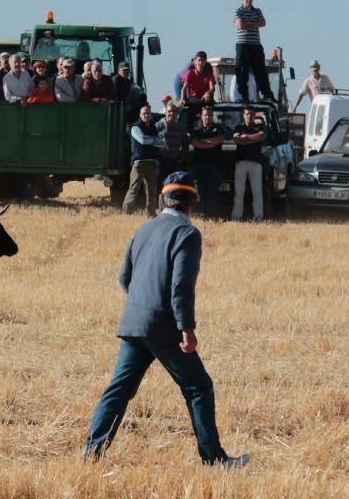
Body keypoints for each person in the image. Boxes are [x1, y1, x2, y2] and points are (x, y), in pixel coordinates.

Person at [83, 171, 249, 469]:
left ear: (163, 199)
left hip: (134, 322)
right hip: (163, 325)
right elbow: (181, 287)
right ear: (192, 203)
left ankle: (91, 454)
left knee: (118, 390)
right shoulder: (187, 234)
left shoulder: (144, 229)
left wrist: (141, 302)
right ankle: (214, 460)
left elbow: (125, 277)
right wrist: (187, 329)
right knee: (198, 386)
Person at [123, 105, 165, 216]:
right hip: (139, 163)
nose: (146, 115)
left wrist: (152, 140)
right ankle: (126, 212)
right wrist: (154, 140)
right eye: (144, 113)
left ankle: (151, 214)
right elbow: (142, 140)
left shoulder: (153, 128)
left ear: (151, 115)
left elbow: (162, 143)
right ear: (140, 115)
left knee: (152, 190)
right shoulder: (135, 127)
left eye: (148, 113)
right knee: (134, 189)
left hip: (152, 162)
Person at [234, 0, 274, 102]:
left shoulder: (257, 11)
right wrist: (255, 24)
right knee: (242, 71)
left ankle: (267, 95)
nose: (248, 0)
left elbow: (263, 23)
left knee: (260, 70)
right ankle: (244, 96)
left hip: (256, 45)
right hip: (243, 45)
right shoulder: (238, 11)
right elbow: (240, 25)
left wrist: (249, 25)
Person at [231, 106, 266, 222]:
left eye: (251, 114)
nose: (249, 116)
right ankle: (236, 217)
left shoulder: (259, 126)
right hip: (241, 162)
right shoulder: (238, 127)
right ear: (243, 115)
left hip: (256, 163)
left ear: (254, 115)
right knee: (239, 192)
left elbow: (261, 136)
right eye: (247, 114)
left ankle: (258, 217)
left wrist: (245, 137)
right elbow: (236, 139)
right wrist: (253, 139)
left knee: (257, 192)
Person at [190, 106, 225, 218]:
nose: (207, 117)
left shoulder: (218, 129)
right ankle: (202, 214)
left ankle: (213, 215)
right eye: (205, 115)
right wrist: (210, 143)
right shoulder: (196, 130)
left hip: (215, 165)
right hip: (200, 165)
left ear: (212, 116)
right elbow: (195, 143)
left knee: (213, 191)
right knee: (201, 191)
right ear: (201, 116)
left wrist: (203, 141)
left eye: (209, 115)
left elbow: (219, 140)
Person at [156, 101, 189, 183]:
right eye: (169, 111)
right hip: (161, 161)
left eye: (174, 111)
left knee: (172, 186)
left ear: (177, 113)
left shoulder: (180, 127)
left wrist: (181, 157)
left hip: (174, 162)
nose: (172, 113)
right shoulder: (158, 125)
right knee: (160, 186)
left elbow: (185, 143)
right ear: (165, 113)